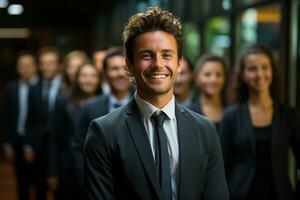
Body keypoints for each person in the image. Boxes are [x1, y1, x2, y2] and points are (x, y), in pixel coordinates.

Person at [83, 7, 228, 200]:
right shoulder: (104, 132)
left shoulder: (204, 129)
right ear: (129, 64)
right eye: (146, 55)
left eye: (167, 55)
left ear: (179, 63)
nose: (158, 64)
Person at [220, 44, 300, 200]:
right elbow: (221, 167)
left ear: (272, 71)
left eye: (265, 67)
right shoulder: (231, 116)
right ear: (242, 75)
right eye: (252, 69)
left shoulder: (289, 116)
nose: (259, 74)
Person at [71, 48, 132, 184]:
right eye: (114, 69)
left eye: (124, 68)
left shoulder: (143, 106)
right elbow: (78, 146)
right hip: (99, 181)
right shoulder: (90, 107)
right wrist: (85, 179)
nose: (120, 74)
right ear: (104, 74)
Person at [51, 63, 101, 200]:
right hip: (68, 168)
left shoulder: (106, 102)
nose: (88, 80)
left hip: (98, 168)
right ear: (77, 79)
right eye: (84, 76)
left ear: (99, 79)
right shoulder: (63, 100)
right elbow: (55, 138)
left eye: (93, 76)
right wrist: (53, 172)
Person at [25, 46, 63, 200]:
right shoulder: (34, 88)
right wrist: (28, 144)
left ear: (59, 65)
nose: (46, 67)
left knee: (60, 190)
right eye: (43, 63)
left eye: (51, 63)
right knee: (39, 188)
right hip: (39, 147)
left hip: (60, 146)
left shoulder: (67, 87)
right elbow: (30, 119)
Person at [3, 51, 39, 200]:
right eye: (21, 65)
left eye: (28, 65)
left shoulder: (43, 87)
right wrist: (7, 142)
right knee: (21, 181)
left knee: (38, 182)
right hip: (17, 138)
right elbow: (6, 117)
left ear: (35, 67)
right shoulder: (11, 88)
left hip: (38, 142)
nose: (24, 69)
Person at [189, 54, 227, 132]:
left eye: (218, 75)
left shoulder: (233, 110)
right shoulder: (189, 114)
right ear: (197, 78)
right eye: (207, 75)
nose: (213, 79)